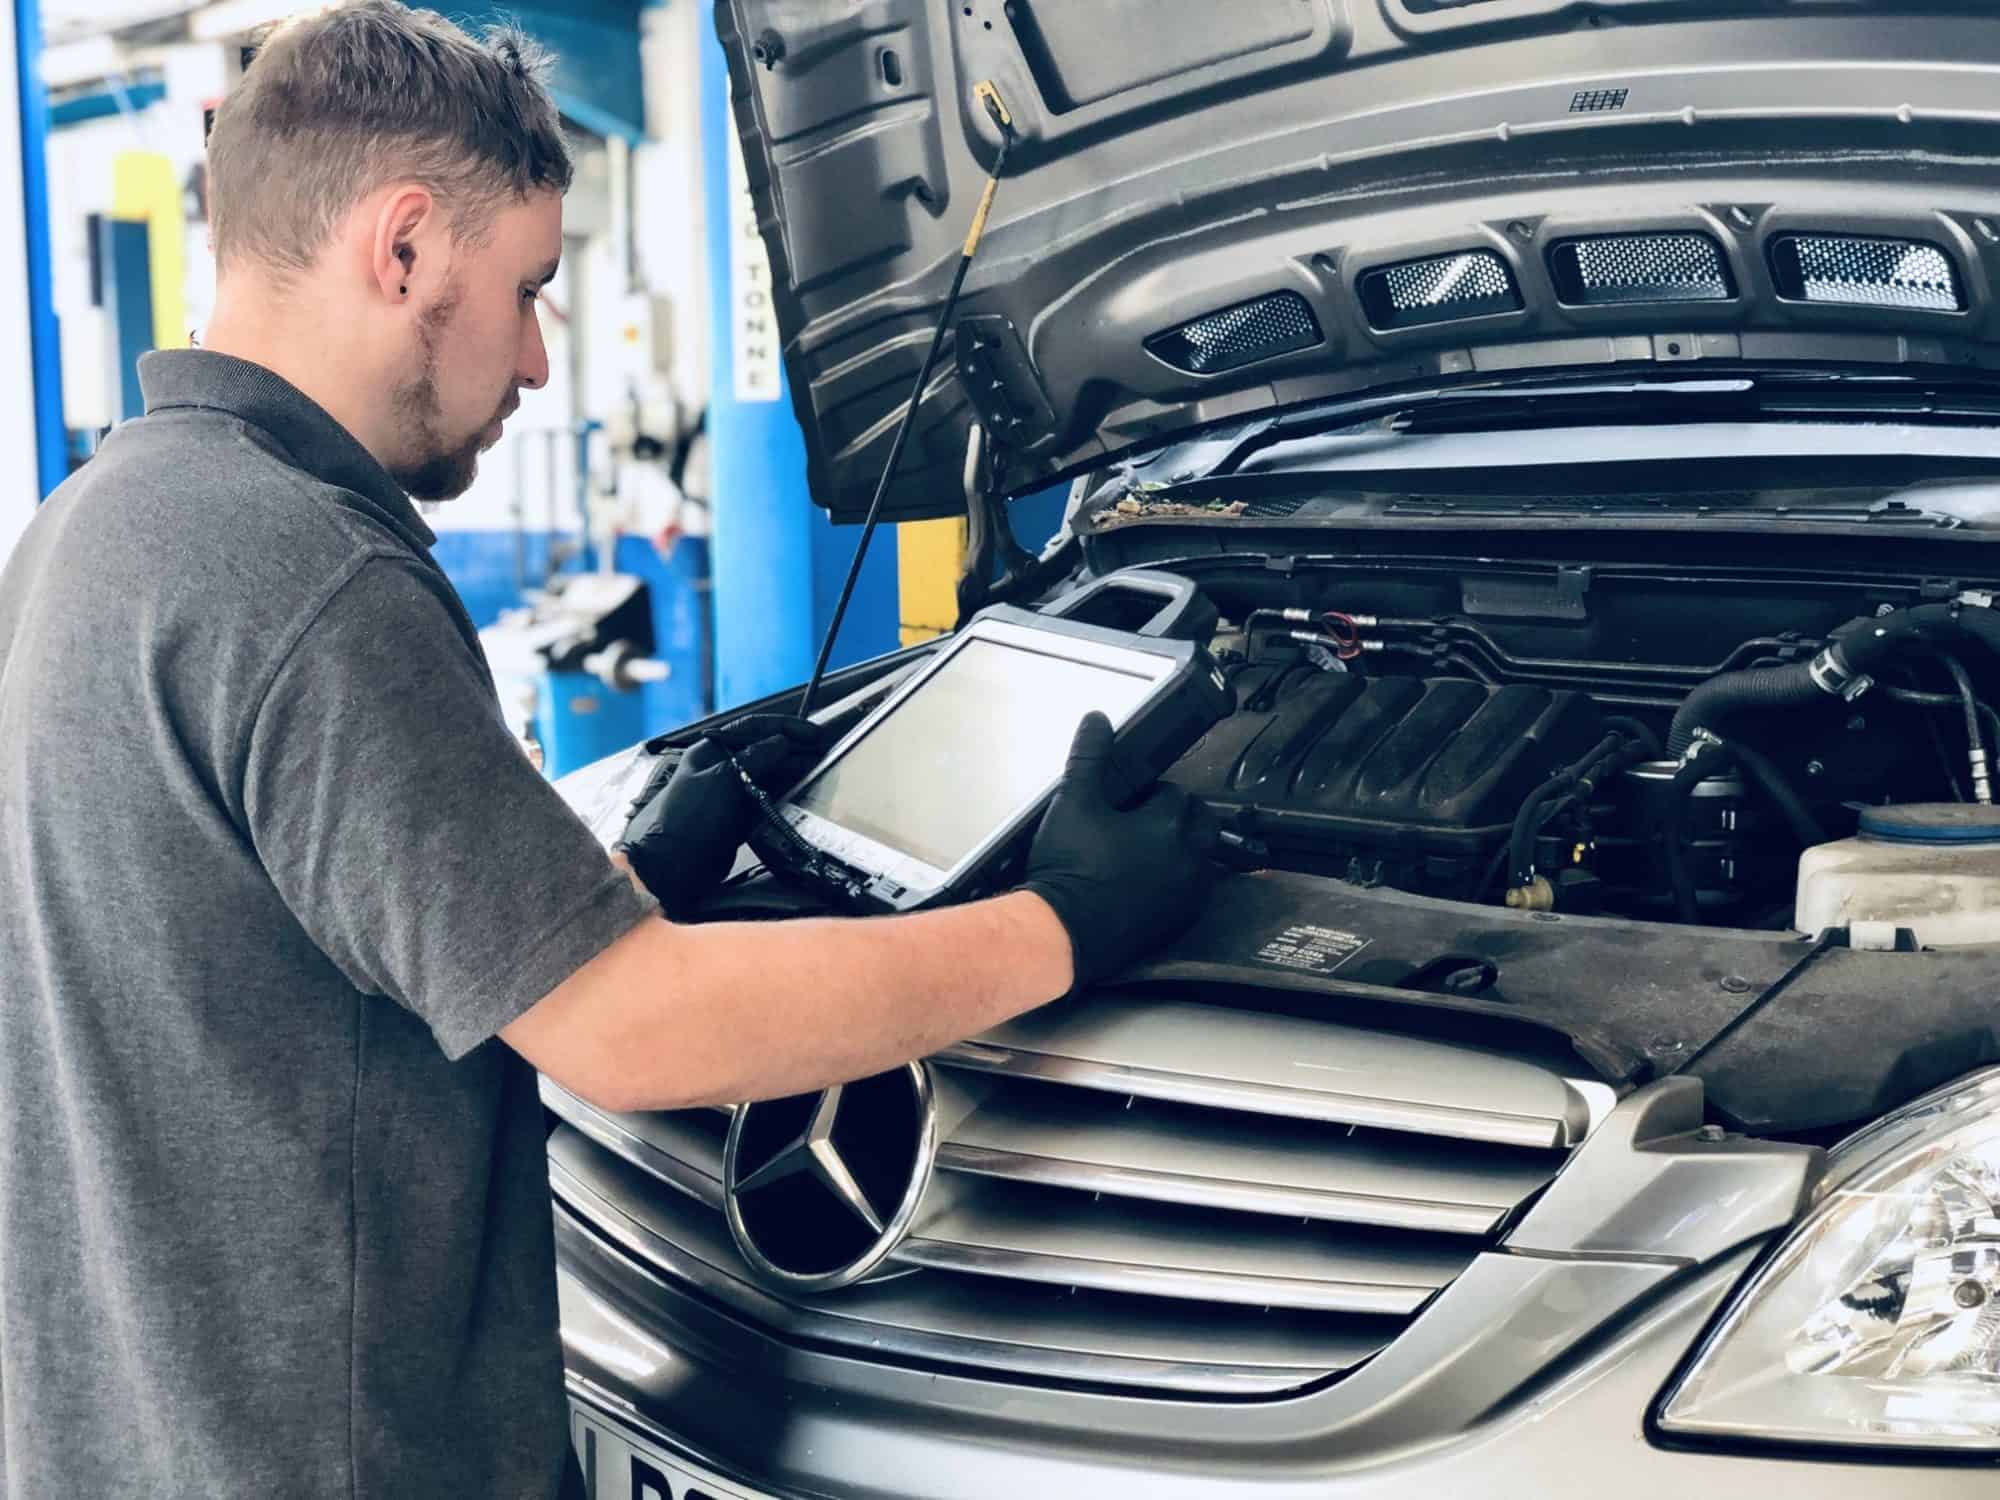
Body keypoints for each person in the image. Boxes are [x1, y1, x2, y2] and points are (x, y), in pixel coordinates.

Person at [0, 5, 1216, 1499]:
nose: (529, 355)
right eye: (524, 288)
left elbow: (286, 963)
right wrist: (1062, 928)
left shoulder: (92, 533)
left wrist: (632, 878)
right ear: (399, 250)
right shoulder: (314, 583)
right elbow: (633, 1035)